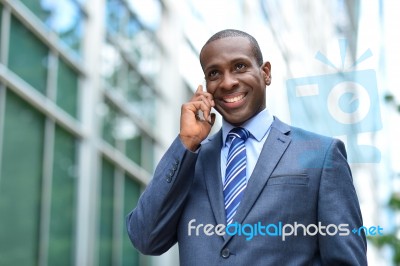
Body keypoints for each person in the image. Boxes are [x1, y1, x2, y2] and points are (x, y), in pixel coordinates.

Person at [126, 29, 367, 265]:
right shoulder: (190, 158)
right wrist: (186, 143)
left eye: (239, 66)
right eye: (214, 73)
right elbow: (145, 239)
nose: (228, 82)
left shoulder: (321, 154)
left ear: (266, 73)